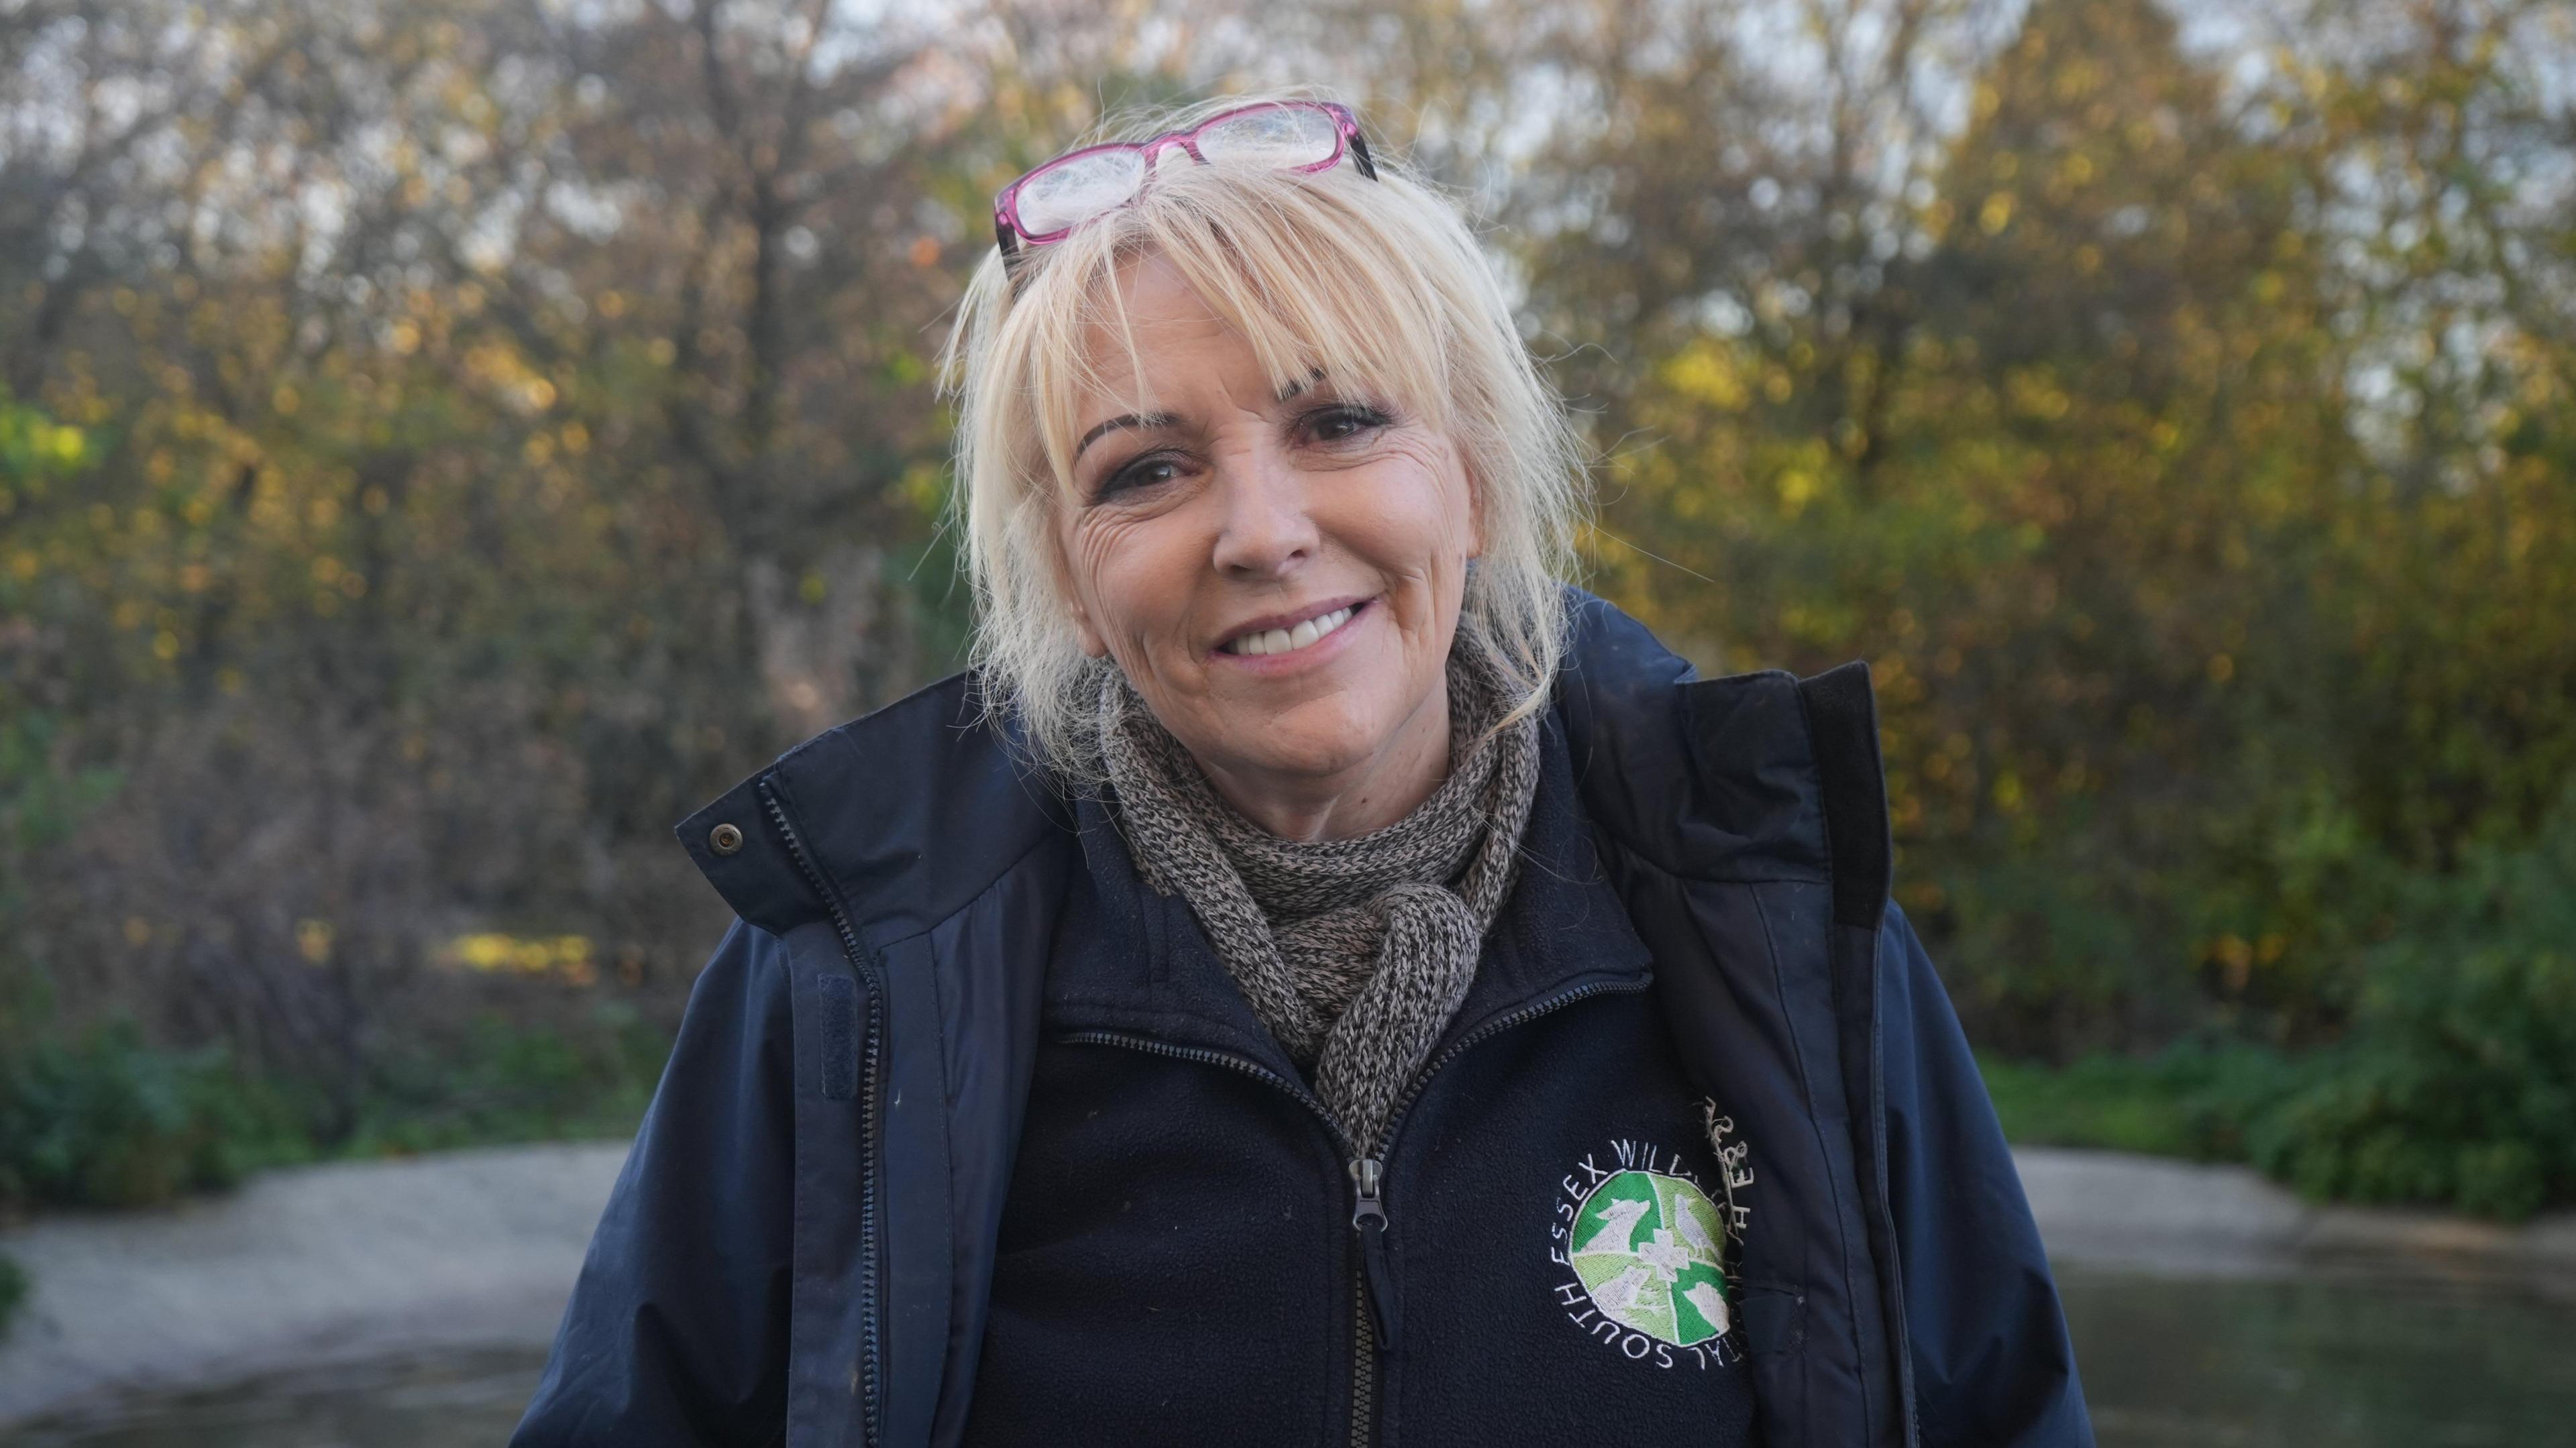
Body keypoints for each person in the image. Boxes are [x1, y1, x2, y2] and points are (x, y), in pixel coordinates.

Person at [510, 90, 2093, 1447]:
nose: (1261, 531)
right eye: (1149, 469)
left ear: (1468, 484)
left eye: (1338, 421)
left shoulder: (1763, 914)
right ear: (1071, 572)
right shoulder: (862, 975)